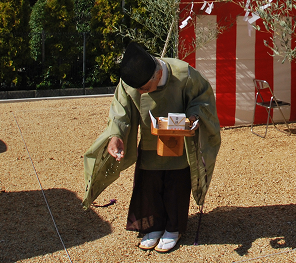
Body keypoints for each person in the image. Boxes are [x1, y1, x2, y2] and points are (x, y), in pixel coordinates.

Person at [82, 41, 221, 253]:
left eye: (145, 88)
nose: (141, 92)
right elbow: (120, 111)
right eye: (138, 90)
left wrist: (194, 116)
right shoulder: (131, 82)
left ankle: (174, 229)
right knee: (149, 185)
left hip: (178, 142)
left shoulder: (185, 74)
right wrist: (116, 135)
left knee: (176, 185)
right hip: (149, 142)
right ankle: (153, 227)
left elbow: (203, 99)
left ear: (157, 74)